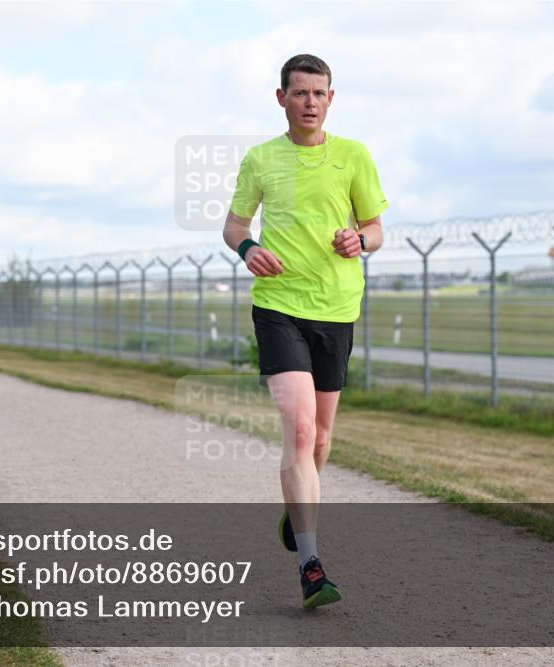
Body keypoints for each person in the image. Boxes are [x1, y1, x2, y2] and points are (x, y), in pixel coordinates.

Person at [223, 54, 387, 609]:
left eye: (319, 93)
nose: (310, 102)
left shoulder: (354, 156)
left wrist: (359, 242)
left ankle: (297, 516)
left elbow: (377, 229)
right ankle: (311, 565)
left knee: (320, 440)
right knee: (298, 431)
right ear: (281, 98)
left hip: (338, 308)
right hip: (278, 305)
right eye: (300, 93)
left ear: (331, 99)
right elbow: (234, 225)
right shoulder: (261, 158)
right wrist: (249, 249)